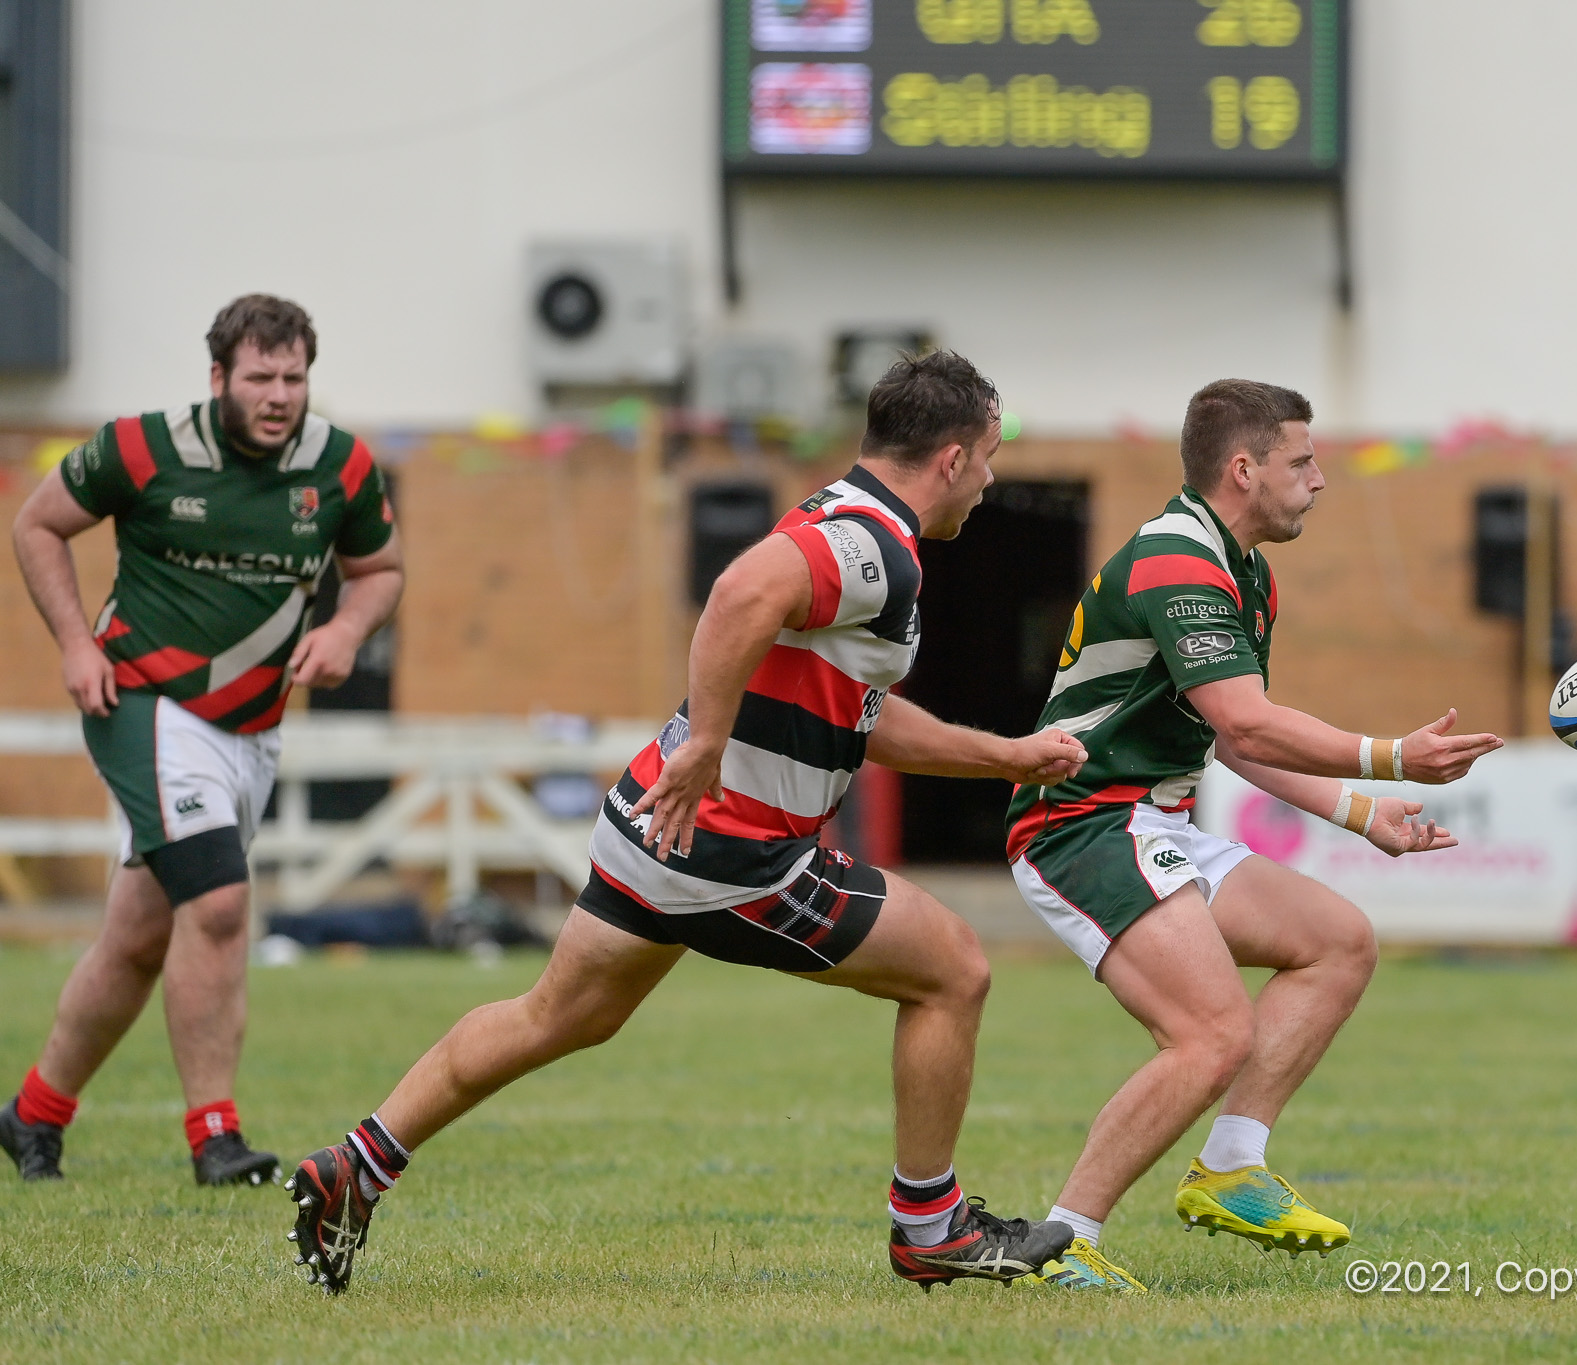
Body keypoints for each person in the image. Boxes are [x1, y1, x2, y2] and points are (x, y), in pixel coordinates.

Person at [286, 353, 1082, 1294]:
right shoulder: (880, 545)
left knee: (558, 1015)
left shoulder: (843, 515)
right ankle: (931, 1227)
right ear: (950, 459)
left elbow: (860, 715)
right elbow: (740, 594)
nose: (988, 481)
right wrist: (706, 740)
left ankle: (357, 1165)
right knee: (954, 969)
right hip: (733, 854)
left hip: (653, 828)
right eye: (987, 458)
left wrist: (1007, 756)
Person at [1004, 379, 1502, 1290]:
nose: (1320, 479)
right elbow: (1249, 723)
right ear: (1244, 469)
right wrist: (1393, 757)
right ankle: (1062, 1243)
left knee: (1338, 941)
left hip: (1149, 818)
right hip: (1080, 821)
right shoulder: (1176, 559)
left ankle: (1231, 1164)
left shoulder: (1246, 572)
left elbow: (1234, 736)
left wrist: (1363, 814)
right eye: (1301, 461)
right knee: (1211, 1032)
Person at [3, 295, 403, 1186]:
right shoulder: (142, 447)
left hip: (252, 728)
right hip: (142, 702)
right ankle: (215, 1134)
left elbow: (380, 569)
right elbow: (37, 524)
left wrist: (346, 629)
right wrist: (74, 643)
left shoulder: (339, 464)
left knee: (138, 937)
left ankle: (34, 1113)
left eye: (293, 377)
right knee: (219, 904)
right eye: (260, 377)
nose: (279, 395)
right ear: (218, 376)